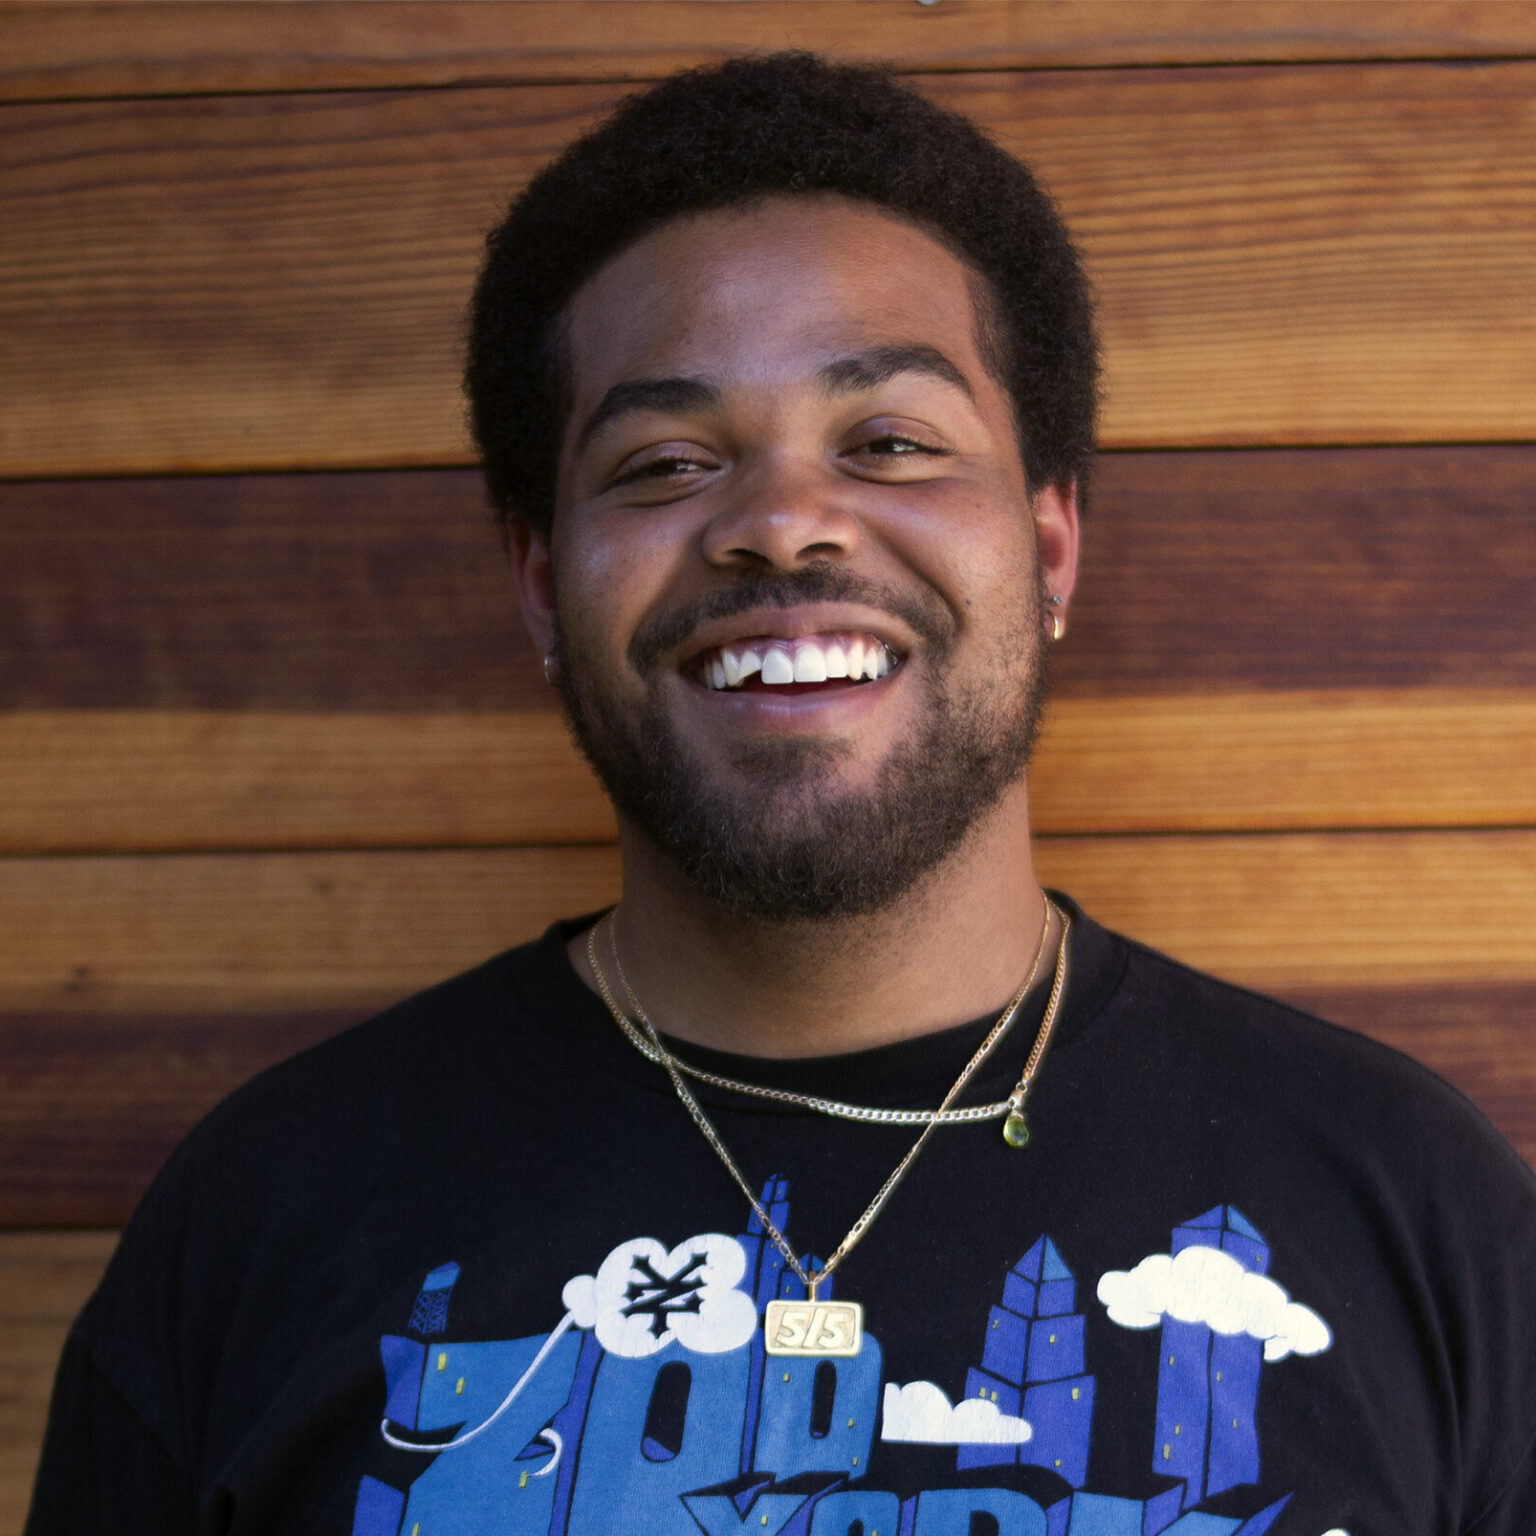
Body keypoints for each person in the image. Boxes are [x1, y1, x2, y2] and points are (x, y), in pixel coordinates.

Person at [26, 52, 1536, 1536]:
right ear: (546, 586)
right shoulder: (264, 1219)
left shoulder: (1414, 1207)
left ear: (1052, 542)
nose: (783, 526)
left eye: (889, 441)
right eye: (667, 462)